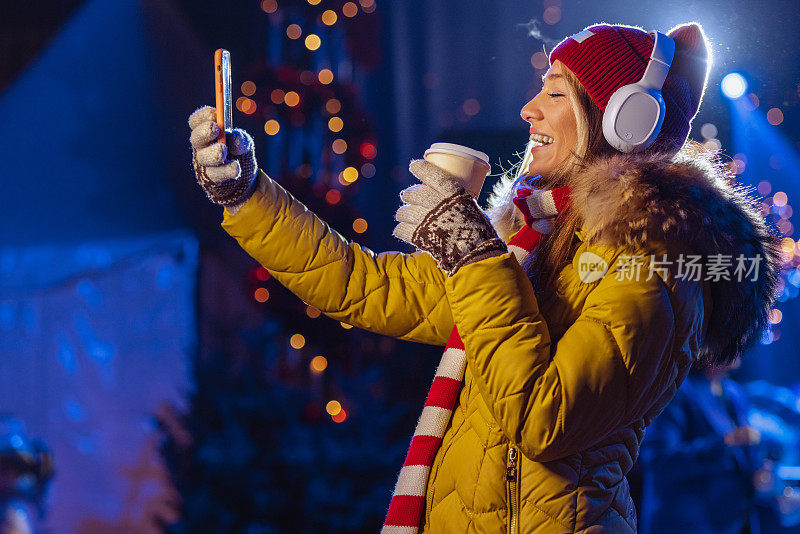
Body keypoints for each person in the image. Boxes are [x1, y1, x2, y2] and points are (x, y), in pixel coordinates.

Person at [187, 22, 782, 533]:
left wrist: (473, 257)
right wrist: (246, 194)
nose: (529, 110)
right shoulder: (539, 244)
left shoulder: (651, 263)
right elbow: (361, 286)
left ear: (623, 121)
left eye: (554, 94)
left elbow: (544, 420)